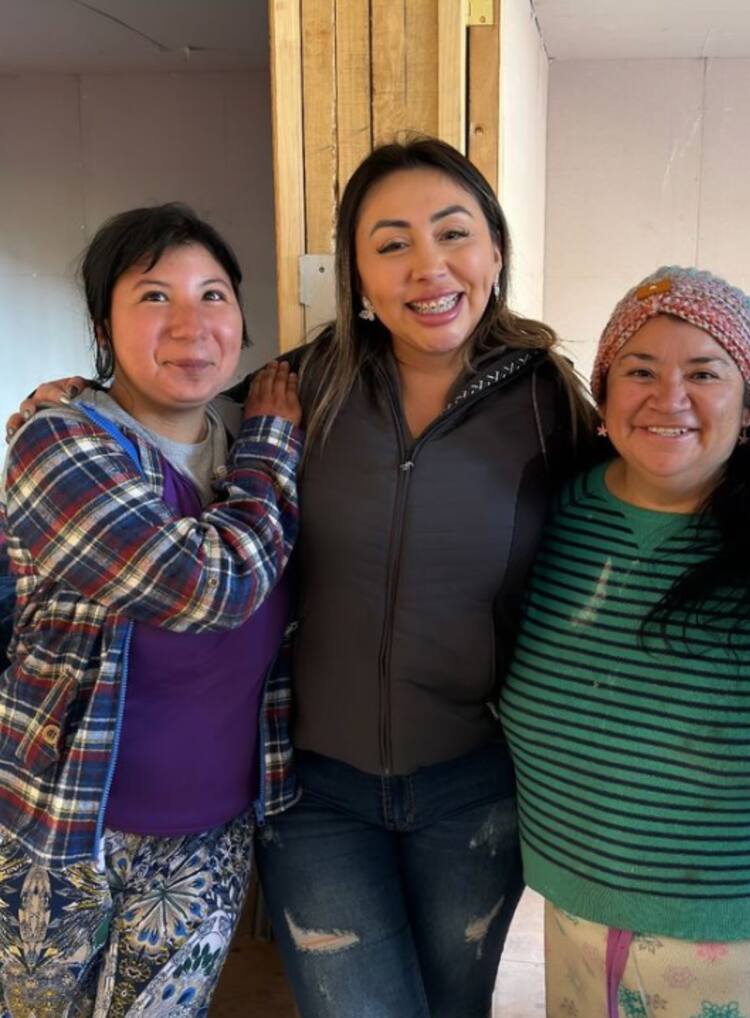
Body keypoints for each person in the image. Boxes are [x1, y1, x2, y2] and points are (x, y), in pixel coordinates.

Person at [8, 138, 593, 1018]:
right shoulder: (301, 389)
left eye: (453, 233)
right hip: (312, 791)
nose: (428, 267)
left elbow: (652, 474)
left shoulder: (548, 399)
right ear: (356, 273)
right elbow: (176, 426)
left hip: (471, 785)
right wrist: (66, 400)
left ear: (496, 250)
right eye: (391, 243)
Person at [0, 203, 302, 1017]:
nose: (190, 325)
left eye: (213, 295)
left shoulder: (249, 436)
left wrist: (266, 439)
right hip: (56, 830)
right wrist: (274, 447)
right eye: (154, 296)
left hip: (210, 835)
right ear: (104, 327)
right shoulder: (56, 441)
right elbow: (210, 588)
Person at [500, 266, 750, 1018]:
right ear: (604, 394)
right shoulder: (557, 509)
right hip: (577, 903)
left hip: (738, 931)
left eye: (704, 373)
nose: (669, 398)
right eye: (640, 370)